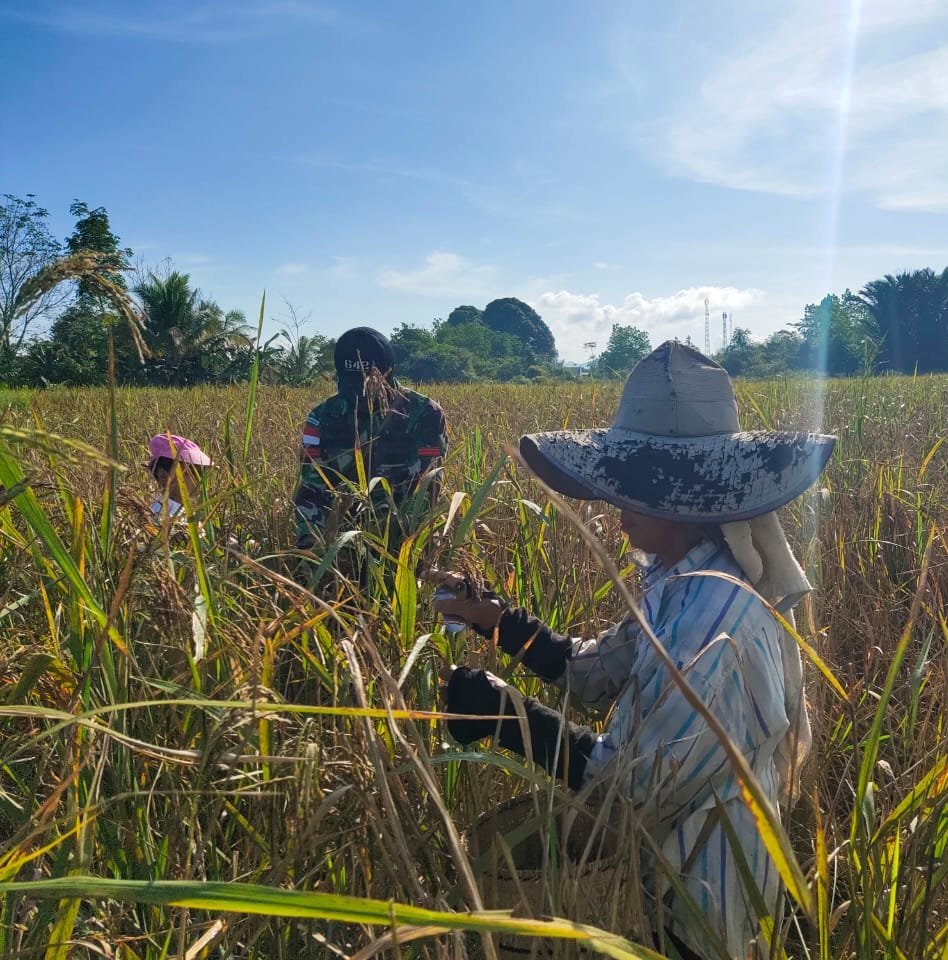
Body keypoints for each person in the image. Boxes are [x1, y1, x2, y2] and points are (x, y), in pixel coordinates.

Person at [431, 341, 834, 959]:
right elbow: (589, 672)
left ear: (688, 496)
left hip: (699, 906)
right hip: (663, 873)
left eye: (634, 485)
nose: (616, 503)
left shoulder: (714, 621)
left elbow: (628, 786)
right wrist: (495, 622)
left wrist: (505, 716)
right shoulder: (679, 581)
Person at [293, 326, 447, 549]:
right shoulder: (321, 417)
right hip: (341, 534)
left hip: (405, 532)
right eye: (353, 385)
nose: (362, 395)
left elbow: (429, 485)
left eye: (369, 383)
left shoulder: (425, 413)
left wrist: (405, 541)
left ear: (389, 373)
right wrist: (310, 539)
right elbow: (312, 482)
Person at [146, 433, 212, 520]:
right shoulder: (160, 517)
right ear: (164, 476)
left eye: (203, 473)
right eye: (193, 472)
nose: (201, 480)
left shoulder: (183, 513)